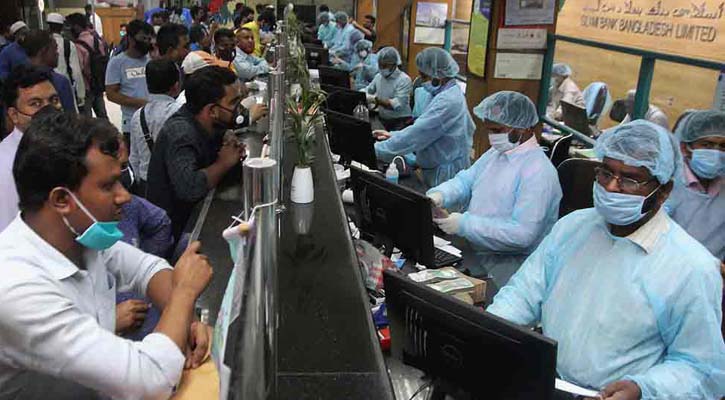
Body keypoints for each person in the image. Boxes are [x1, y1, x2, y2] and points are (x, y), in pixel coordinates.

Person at [487, 120, 725, 399]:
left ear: (663, 191)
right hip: (550, 384)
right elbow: (524, 294)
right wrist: (488, 331)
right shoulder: (574, 227)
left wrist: (642, 389)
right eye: (606, 172)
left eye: (630, 179)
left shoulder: (689, 268)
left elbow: (701, 368)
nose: (612, 187)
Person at [0, 110, 213, 399]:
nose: (124, 196)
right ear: (61, 199)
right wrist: (184, 294)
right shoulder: (17, 290)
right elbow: (148, 379)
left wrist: (186, 322)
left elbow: (147, 269)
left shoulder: (80, 238)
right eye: (108, 185)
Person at [428, 91, 562, 257]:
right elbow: (466, 181)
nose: (492, 137)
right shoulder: (497, 153)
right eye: (490, 130)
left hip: (508, 260)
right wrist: (440, 195)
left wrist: (464, 225)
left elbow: (522, 234)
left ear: (523, 127)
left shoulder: (538, 172)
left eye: (497, 130)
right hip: (477, 246)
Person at [147, 66, 245, 240]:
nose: (239, 107)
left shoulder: (205, 123)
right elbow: (189, 187)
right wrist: (223, 163)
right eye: (233, 102)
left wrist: (226, 136)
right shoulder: (181, 133)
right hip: (173, 235)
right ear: (212, 111)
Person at [374, 48, 473, 188]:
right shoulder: (442, 94)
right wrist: (393, 135)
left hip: (445, 173)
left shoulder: (448, 101)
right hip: (437, 166)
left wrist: (375, 149)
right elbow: (421, 128)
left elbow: (418, 134)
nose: (421, 81)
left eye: (424, 77)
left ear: (438, 76)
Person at [0, 66, 62, 232]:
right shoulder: (5, 166)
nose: (48, 109)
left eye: (54, 100)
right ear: (14, 115)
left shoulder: (65, 147)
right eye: (35, 104)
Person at [666, 110, 725, 259]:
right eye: (707, 145)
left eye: (723, 146)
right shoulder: (668, 182)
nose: (716, 153)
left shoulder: (722, 186)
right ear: (685, 148)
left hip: (712, 270)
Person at [129, 59, 183, 194]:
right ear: (176, 86)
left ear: (147, 86)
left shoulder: (137, 116)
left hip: (147, 184)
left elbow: (134, 158)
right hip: (174, 183)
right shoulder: (181, 112)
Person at [105, 19, 153, 146]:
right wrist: (140, 103)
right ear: (131, 39)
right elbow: (111, 94)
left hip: (153, 120)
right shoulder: (117, 63)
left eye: (149, 39)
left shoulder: (151, 60)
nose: (147, 42)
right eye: (143, 38)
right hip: (131, 123)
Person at [22, 29, 77, 113]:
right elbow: (69, 115)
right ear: (43, 51)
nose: (57, 53)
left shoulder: (16, 79)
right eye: (55, 49)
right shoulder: (59, 82)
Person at [67, 12, 109, 119]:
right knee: (102, 115)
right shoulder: (97, 40)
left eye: (70, 26)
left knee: (86, 119)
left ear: (76, 27)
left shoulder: (77, 45)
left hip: (86, 86)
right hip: (98, 83)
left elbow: (79, 68)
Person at [364, 47, 412, 131]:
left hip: (400, 121)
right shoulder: (379, 77)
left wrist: (374, 100)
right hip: (383, 119)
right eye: (380, 65)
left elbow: (396, 105)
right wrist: (361, 93)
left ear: (394, 64)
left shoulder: (404, 79)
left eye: (385, 65)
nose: (381, 68)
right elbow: (369, 90)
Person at [47, 13, 86, 111]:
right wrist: (81, 94)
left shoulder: (43, 43)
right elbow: (76, 72)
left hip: (47, 86)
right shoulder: (68, 44)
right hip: (65, 86)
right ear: (62, 27)